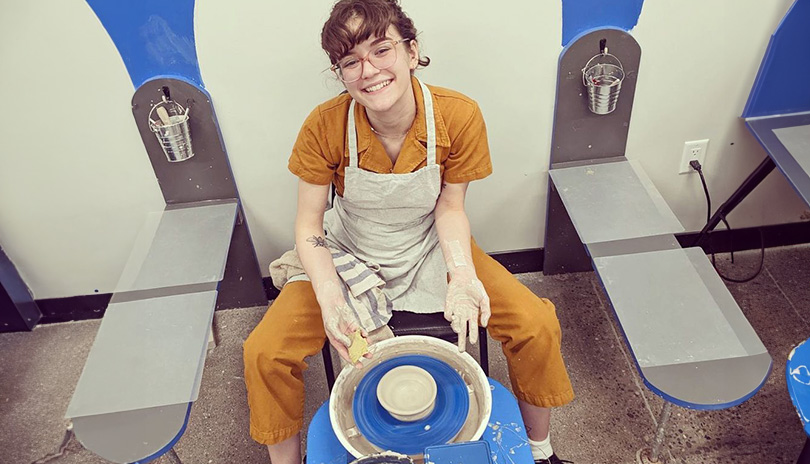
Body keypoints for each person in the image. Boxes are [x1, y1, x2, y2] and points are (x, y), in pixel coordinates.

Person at [243, 1, 574, 463]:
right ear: (340, 74)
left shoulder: (458, 116)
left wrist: (462, 274)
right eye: (350, 62)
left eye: (382, 50)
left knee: (535, 324)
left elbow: (450, 208)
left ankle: (539, 450)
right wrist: (331, 297)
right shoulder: (325, 125)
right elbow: (308, 224)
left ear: (412, 51)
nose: (368, 71)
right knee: (264, 352)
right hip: (347, 250)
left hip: (430, 246)